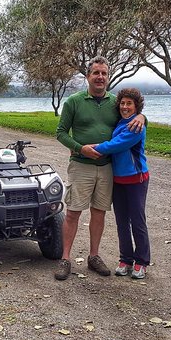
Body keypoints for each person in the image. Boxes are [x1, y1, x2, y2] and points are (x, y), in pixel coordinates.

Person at [54, 56, 145, 280]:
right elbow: (61, 133)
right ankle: (65, 259)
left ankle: (93, 256)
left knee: (99, 212)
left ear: (108, 77)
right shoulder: (74, 102)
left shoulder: (115, 103)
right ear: (88, 77)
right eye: (96, 73)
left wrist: (143, 116)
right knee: (73, 212)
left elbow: (130, 117)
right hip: (81, 166)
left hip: (106, 168)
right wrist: (79, 148)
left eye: (104, 73)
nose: (100, 77)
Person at [92, 88, 151, 279]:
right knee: (121, 222)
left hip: (136, 178)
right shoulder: (121, 122)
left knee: (137, 221)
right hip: (118, 179)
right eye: (123, 103)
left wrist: (94, 149)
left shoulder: (136, 125)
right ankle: (126, 259)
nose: (125, 107)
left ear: (136, 106)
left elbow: (118, 144)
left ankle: (142, 262)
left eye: (129, 104)